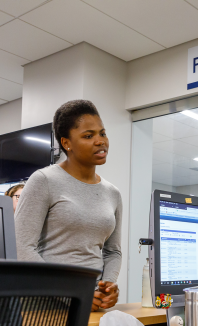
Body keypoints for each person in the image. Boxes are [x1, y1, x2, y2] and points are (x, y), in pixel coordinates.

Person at [15, 100, 122, 312]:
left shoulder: (113, 193)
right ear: (66, 143)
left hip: (90, 305)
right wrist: (70, 291)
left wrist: (108, 285)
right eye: (88, 136)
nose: (100, 141)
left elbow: (113, 252)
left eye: (102, 133)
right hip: (45, 306)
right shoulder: (44, 180)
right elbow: (23, 248)